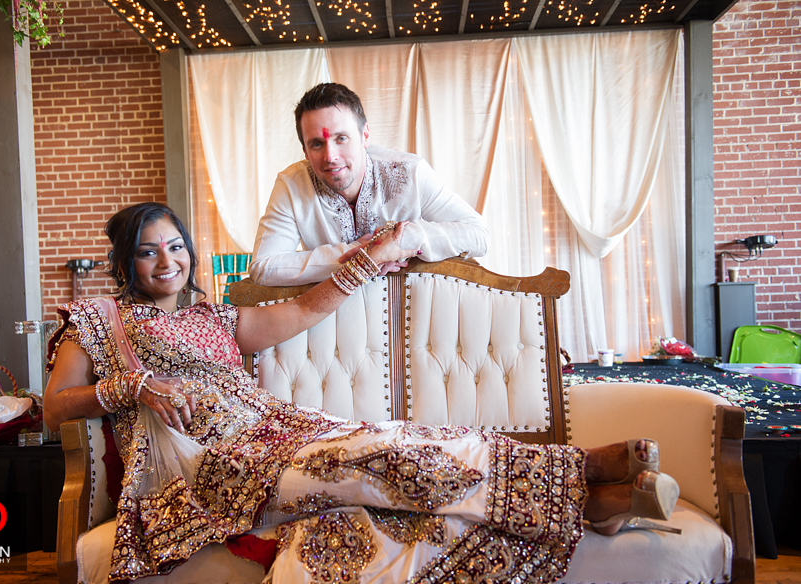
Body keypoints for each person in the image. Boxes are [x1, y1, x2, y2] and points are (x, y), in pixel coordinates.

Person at [45, 202, 680, 583]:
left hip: (279, 432)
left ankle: (588, 488)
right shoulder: (99, 321)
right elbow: (53, 407)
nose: (167, 261)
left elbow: (303, 308)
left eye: (176, 246)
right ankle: (586, 476)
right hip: (210, 469)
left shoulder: (214, 316)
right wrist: (131, 386)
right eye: (148, 252)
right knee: (390, 460)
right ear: (125, 262)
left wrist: (373, 258)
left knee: (411, 441)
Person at [249, 82, 490, 286]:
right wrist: (363, 255)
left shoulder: (410, 172)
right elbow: (263, 267)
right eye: (316, 144)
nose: (330, 156)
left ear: (365, 135)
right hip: (334, 323)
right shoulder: (292, 185)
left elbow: (478, 235)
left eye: (341, 138)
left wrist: (399, 241)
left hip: (410, 320)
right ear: (304, 150)